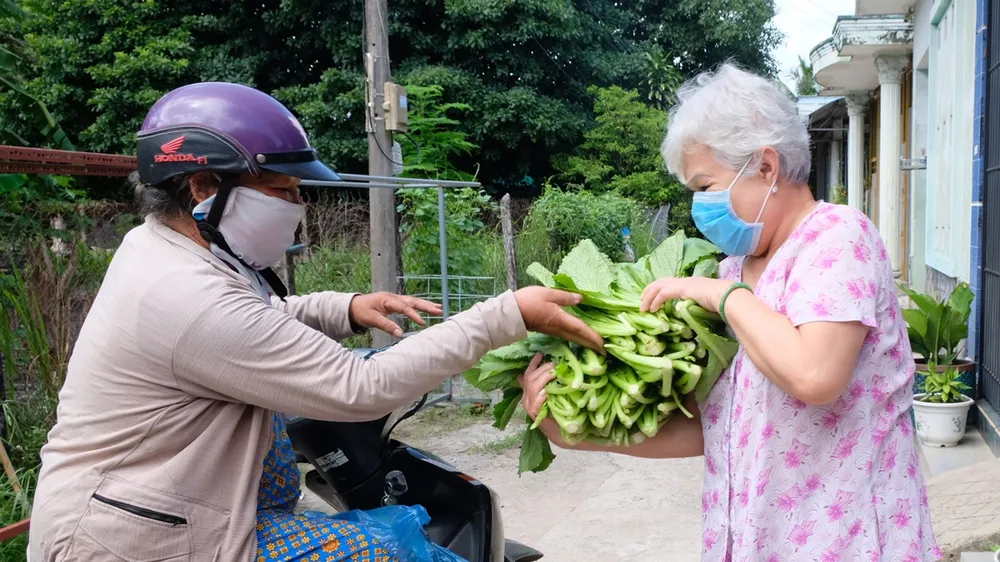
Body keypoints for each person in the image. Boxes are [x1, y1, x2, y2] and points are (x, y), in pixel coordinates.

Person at [27, 82, 602, 562]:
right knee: (394, 549)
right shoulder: (182, 290)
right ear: (204, 188)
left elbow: (251, 321)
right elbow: (360, 388)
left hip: (188, 505)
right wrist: (505, 314)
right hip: (138, 537)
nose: (297, 206)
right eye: (282, 190)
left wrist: (344, 308)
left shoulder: (171, 250)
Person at [520, 64, 941, 561]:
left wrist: (723, 297)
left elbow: (816, 374)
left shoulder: (837, 238)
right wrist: (571, 434)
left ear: (766, 166)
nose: (700, 205)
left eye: (706, 185)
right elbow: (715, 427)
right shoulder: (732, 270)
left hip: (847, 544)